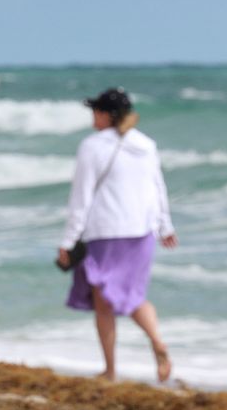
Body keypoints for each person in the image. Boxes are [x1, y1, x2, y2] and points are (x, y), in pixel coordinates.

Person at [58, 87, 178, 383]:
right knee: (134, 295)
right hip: (142, 232)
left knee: (104, 301)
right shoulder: (146, 144)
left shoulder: (92, 146)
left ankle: (110, 370)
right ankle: (157, 341)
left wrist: (68, 240)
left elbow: (81, 198)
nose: (92, 119)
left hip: (105, 232)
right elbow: (158, 188)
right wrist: (166, 226)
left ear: (105, 115)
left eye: (95, 113)